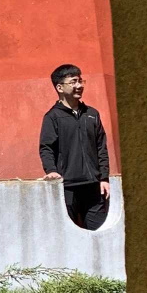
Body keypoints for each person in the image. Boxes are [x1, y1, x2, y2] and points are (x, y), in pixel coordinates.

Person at [38, 63, 111, 230]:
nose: (79, 86)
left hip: (94, 186)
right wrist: (51, 170)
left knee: (97, 232)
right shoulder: (52, 117)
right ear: (60, 87)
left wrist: (104, 178)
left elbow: (101, 147)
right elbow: (46, 147)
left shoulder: (92, 114)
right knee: (67, 232)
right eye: (73, 82)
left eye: (80, 81)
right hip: (67, 186)